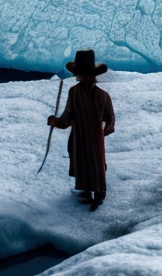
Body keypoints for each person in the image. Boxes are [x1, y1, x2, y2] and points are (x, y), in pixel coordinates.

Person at [48, 49, 115, 211]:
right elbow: (68, 117)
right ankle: (86, 190)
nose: (82, 78)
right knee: (82, 160)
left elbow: (110, 118)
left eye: (84, 74)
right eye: (81, 75)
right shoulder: (76, 92)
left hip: (92, 136)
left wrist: (104, 131)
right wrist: (57, 122)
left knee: (95, 162)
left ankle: (98, 192)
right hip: (80, 136)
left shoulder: (101, 95)